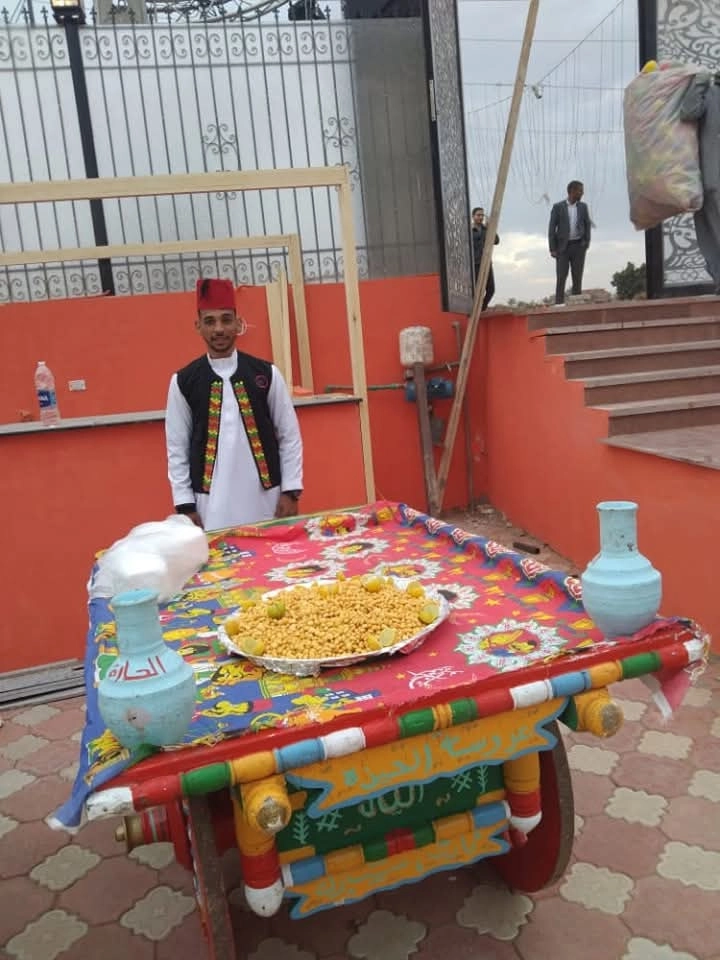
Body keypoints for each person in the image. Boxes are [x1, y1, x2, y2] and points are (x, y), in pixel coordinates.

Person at [165, 278, 304, 531]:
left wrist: (290, 491)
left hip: (267, 498)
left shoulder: (266, 374)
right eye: (210, 321)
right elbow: (177, 447)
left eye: (226, 320)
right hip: (210, 504)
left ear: (238, 324)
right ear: (198, 327)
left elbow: (289, 434)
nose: (219, 329)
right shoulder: (184, 382)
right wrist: (185, 505)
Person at [548, 180, 591, 305]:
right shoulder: (558, 207)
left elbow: (587, 225)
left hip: (578, 246)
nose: (582, 193)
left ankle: (576, 303)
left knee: (577, 276)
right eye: (580, 191)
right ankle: (559, 303)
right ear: (572, 191)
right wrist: (552, 248)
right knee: (561, 276)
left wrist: (586, 243)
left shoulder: (583, 207)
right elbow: (552, 228)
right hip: (562, 248)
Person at [471, 206, 500, 311]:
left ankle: (482, 308)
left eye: (482, 215)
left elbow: (496, 241)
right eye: (478, 215)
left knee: (491, 289)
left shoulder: (486, 229)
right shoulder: (469, 230)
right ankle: (473, 309)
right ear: (473, 216)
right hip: (475, 264)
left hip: (487, 263)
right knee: (476, 290)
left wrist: (490, 228)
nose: (480, 217)